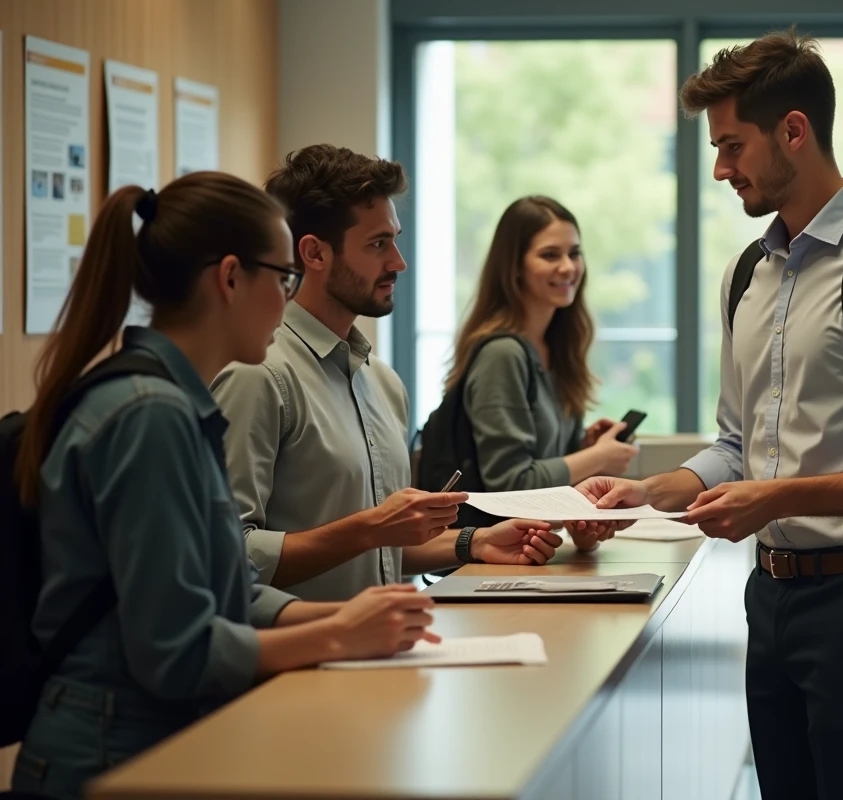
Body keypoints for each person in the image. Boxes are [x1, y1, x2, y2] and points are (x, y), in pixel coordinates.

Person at [575, 29, 843, 800]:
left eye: (732, 146)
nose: (720, 169)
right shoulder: (745, 277)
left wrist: (782, 496)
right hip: (773, 598)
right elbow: (737, 444)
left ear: (794, 130)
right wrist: (649, 492)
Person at [11, 173, 437, 800]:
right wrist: (340, 634)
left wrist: (342, 614)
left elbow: (222, 588)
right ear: (232, 278)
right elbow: (177, 649)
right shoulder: (148, 417)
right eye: (284, 278)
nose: (289, 298)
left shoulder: (175, 403)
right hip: (110, 755)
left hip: (150, 737)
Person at [211, 146, 561, 602]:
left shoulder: (382, 382)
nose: (398, 262)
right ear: (314, 253)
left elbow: (384, 549)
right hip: (301, 662)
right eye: (378, 244)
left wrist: (474, 542)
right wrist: (368, 529)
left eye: (394, 240)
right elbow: (229, 554)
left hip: (385, 653)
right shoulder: (258, 375)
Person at [429, 196, 637, 546]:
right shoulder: (503, 354)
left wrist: (583, 447)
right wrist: (596, 457)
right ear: (514, 267)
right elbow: (512, 485)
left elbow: (551, 479)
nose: (568, 267)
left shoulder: (557, 351)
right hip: (490, 560)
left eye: (574, 253)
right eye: (550, 255)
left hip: (538, 553)